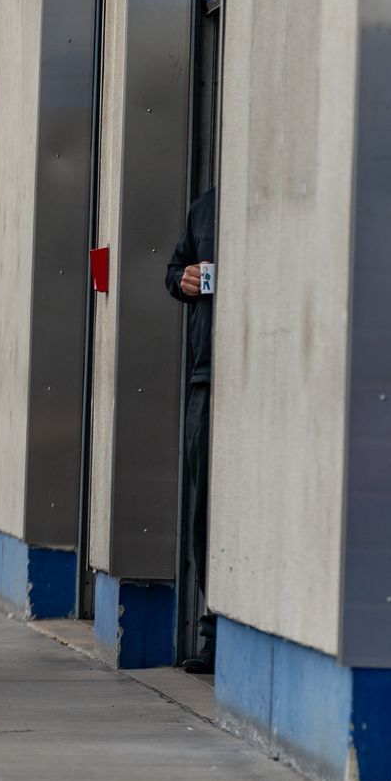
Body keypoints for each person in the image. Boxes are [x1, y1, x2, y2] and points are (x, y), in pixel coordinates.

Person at [166, 188, 218, 674]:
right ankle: (212, 635)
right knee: (204, 511)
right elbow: (173, 269)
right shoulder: (204, 207)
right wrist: (180, 280)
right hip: (206, 378)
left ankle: (230, 625)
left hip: (253, 376)